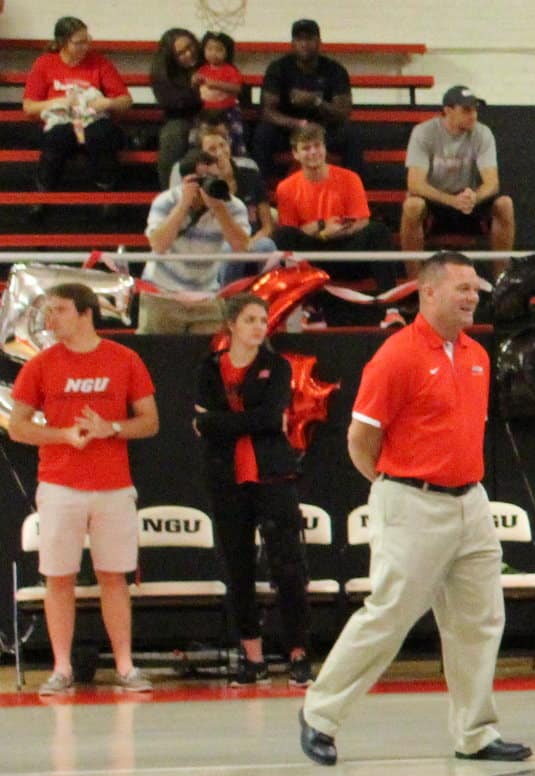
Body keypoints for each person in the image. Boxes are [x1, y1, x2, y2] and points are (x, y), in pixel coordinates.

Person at [297, 252, 529, 768]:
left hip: (471, 501)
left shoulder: (477, 355)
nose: (472, 296)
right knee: (388, 616)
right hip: (410, 500)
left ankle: (475, 732)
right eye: (461, 288)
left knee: (480, 621)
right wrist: (392, 486)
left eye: (475, 288)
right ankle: (319, 713)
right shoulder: (396, 355)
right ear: (427, 292)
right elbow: (361, 438)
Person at [6, 282, 159, 693]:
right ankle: (61, 668)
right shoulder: (40, 365)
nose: (50, 319)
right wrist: (63, 436)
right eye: (48, 311)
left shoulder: (124, 359)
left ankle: (125, 666)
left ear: (86, 313)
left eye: (58, 310)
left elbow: (150, 421)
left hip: (113, 485)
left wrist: (110, 428)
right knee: (59, 577)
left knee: (114, 577)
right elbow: (17, 426)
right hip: (59, 485)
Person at [193, 294, 313, 686]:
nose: (260, 327)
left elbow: (268, 418)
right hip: (225, 477)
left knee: (288, 565)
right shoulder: (210, 368)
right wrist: (239, 421)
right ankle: (252, 655)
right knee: (237, 566)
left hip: (272, 475)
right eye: (250, 320)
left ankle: (297, 653)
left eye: (263, 320)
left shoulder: (276, 366)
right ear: (231, 325)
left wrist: (219, 422)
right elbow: (208, 422)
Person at [141, 155, 274, 334]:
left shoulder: (232, 206)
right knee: (159, 357)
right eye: (201, 179)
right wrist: (183, 206)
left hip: (206, 295)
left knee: (209, 356)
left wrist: (219, 209)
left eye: (214, 178)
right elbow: (158, 245)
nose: (207, 185)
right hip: (162, 294)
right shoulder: (165, 201)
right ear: (185, 181)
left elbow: (241, 247)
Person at [401, 87, 516, 259]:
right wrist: (451, 200)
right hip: (436, 202)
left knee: (505, 204)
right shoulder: (423, 132)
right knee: (412, 206)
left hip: (468, 201)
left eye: (475, 109)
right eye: (466, 110)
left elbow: (492, 183)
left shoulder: (483, 133)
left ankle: (502, 278)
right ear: (448, 111)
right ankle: (414, 281)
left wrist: (474, 197)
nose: (474, 115)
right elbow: (415, 183)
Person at [26, 17, 133, 192]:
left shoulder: (100, 63)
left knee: (101, 134)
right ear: (62, 43)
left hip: (92, 119)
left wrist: (108, 103)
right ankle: (43, 191)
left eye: (87, 40)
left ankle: (107, 188)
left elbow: (126, 101)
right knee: (58, 136)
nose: (86, 46)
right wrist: (58, 102)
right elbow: (29, 107)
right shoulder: (45, 63)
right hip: (61, 120)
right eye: (79, 43)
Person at [273, 126, 396, 269]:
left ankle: (388, 291)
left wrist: (337, 231)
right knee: (283, 235)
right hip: (312, 250)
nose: (313, 152)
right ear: (296, 154)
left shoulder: (350, 178)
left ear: (324, 148)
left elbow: (361, 221)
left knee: (378, 231)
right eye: (306, 148)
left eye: (317, 146)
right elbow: (292, 232)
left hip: (346, 247)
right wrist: (323, 226)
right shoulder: (286, 187)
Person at [253, 18, 358, 180]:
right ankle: (263, 193)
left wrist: (316, 101)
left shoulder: (334, 70)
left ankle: (356, 188)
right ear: (292, 43)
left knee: (350, 134)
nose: (304, 44)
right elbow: (268, 111)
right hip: (288, 130)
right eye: (299, 39)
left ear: (319, 42)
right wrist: (298, 124)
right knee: (263, 133)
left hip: (324, 129)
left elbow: (343, 112)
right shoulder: (278, 68)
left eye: (309, 39)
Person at [149, 26, 204, 186]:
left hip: (215, 115)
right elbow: (173, 104)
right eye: (181, 53)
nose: (189, 54)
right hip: (180, 118)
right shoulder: (163, 74)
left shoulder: (209, 62)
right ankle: (169, 192)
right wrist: (196, 91)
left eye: (190, 47)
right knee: (173, 136)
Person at [194, 31, 248, 147]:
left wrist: (216, 84)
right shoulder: (203, 69)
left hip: (228, 109)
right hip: (206, 110)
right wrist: (194, 80)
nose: (213, 53)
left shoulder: (230, 70)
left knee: (234, 133)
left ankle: (237, 151)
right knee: (200, 132)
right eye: (209, 49)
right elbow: (195, 86)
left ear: (227, 52)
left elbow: (237, 88)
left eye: (219, 50)